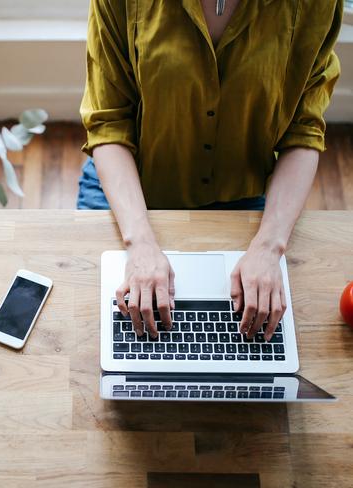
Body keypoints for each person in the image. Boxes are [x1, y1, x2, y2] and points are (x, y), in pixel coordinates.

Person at [78, 0, 342, 341]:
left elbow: (304, 131)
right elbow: (109, 122)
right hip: (130, 191)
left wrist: (268, 247)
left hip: (243, 197)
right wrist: (140, 244)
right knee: (94, 335)